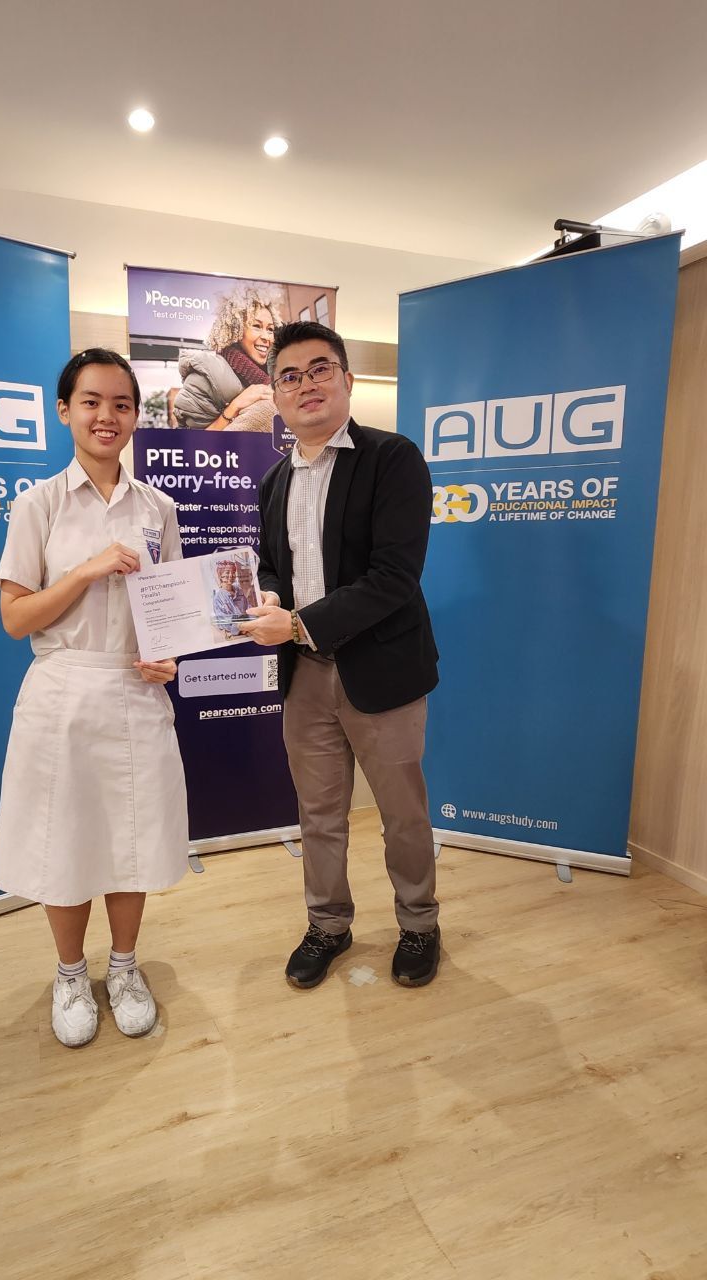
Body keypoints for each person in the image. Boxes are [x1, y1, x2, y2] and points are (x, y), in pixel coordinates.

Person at [0, 349, 188, 1048]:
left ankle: (125, 968)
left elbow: (168, 609)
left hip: (135, 690)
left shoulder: (158, 508)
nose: (108, 416)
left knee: (132, 839)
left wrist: (166, 656)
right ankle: (71, 974)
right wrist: (85, 570)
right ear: (64, 410)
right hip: (63, 693)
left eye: (122, 404)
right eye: (92, 401)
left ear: (136, 415)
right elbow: (16, 619)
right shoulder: (38, 504)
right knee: (66, 841)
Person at [239, 321, 441, 990]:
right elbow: (273, 564)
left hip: (382, 673)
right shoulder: (274, 480)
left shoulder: (393, 458)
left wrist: (296, 624)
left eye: (320, 369)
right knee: (319, 815)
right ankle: (328, 924)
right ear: (275, 395)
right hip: (305, 678)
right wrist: (270, 596)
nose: (307, 385)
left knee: (402, 814)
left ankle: (419, 923)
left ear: (347, 379)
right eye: (290, 376)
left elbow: (394, 578)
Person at [173, 287, 282, 430]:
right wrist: (235, 406)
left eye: (270, 329)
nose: (266, 337)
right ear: (235, 329)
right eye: (256, 326)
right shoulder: (204, 376)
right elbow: (192, 442)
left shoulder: (276, 375)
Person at [211, 557, 249, 637]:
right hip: (235, 635)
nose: (231, 575)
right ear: (220, 575)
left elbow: (248, 607)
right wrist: (239, 627)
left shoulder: (239, 590)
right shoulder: (218, 598)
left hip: (249, 628)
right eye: (227, 572)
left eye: (233, 572)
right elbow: (222, 622)